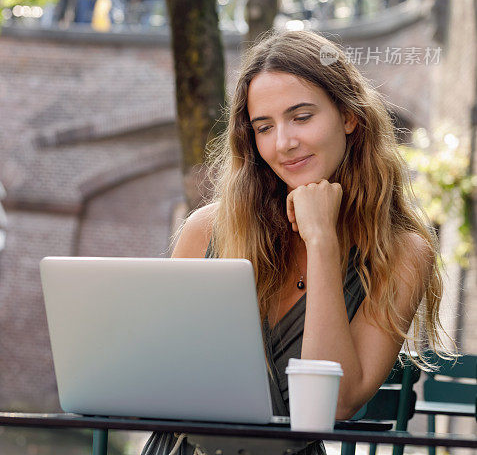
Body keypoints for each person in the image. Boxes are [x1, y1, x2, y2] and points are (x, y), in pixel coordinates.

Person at [141, 29, 450, 455]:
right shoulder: (207, 230)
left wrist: (322, 239)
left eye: (302, 117)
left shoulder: (401, 252)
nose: (283, 143)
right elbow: (156, 372)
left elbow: (337, 403)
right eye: (264, 127)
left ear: (348, 115)